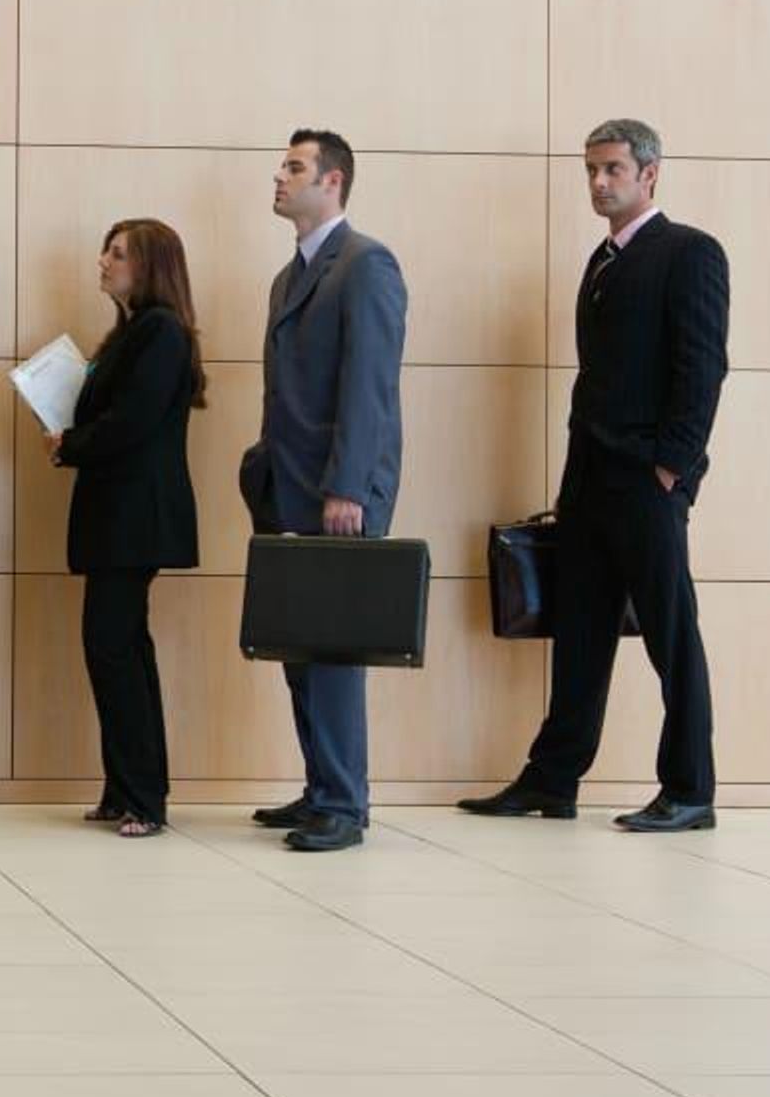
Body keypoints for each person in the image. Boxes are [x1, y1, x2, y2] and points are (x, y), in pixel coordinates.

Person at [461, 119, 729, 833]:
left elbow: (703, 368)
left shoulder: (690, 252)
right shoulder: (602, 260)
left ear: (650, 174)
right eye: (590, 170)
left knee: (672, 636)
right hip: (586, 484)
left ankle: (690, 790)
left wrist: (672, 468)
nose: (598, 182)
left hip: (646, 482)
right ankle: (553, 780)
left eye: (612, 169)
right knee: (580, 636)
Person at [239, 130, 407, 853]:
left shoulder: (365, 264)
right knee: (298, 647)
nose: (279, 177)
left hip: (338, 492)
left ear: (332, 181)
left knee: (333, 653)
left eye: (295, 167)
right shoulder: (290, 276)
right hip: (287, 486)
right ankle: (319, 788)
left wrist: (348, 487)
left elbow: (370, 385)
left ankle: (343, 802)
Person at [45, 219, 204, 838]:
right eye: (105, 252)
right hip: (121, 517)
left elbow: (131, 421)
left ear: (149, 266)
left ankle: (142, 798)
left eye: (117, 254)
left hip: (135, 518)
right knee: (121, 651)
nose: (103, 262)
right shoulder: (134, 332)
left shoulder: (159, 331)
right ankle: (127, 790)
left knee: (114, 651)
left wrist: (71, 445)